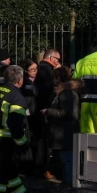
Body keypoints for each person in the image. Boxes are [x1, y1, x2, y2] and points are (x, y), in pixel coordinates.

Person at [0, 65, 35, 193]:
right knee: (1, 175)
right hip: (6, 141)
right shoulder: (16, 96)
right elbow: (16, 122)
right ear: (19, 80)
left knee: (9, 172)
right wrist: (21, 142)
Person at [44, 66, 81, 193]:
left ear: (59, 78)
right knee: (65, 158)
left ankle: (69, 186)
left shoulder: (67, 94)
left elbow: (66, 112)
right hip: (63, 131)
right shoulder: (65, 92)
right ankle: (67, 184)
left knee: (67, 159)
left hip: (65, 131)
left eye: (54, 77)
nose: (53, 80)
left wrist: (48, 111)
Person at [33, 48, 61, 179]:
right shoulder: (47, 70)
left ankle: (40, 168)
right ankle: (42, 169)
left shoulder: (42, 68)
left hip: (39, 108)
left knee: (41, 140)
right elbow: (47, 91)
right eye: (57, 60)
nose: (58, 62)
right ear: (51, 58)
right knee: (44, 142)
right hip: (43, 110)